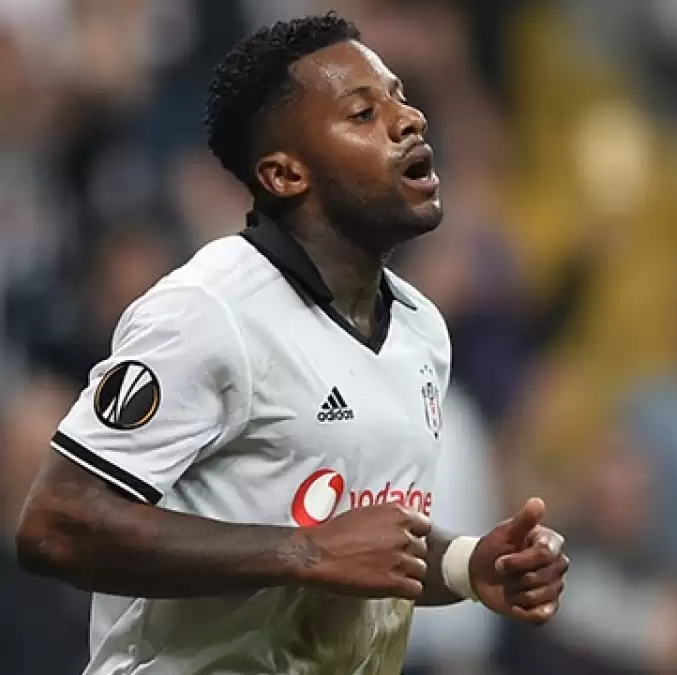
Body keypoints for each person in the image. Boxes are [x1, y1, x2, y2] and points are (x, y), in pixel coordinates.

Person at [15, 12, 569, 675]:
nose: (410, 119)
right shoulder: (208, 309)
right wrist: (304, 552)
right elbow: (56, 523)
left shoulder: (421, 327)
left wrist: (468, 565)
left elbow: (363, 542)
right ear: (284, 175)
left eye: (400, 97)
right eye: (363, 113)